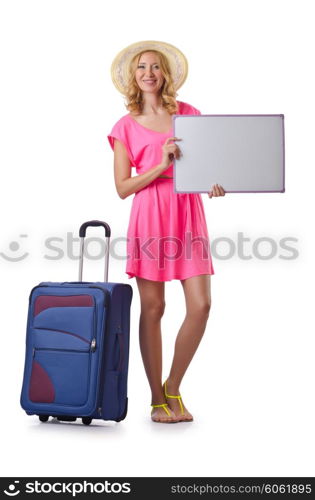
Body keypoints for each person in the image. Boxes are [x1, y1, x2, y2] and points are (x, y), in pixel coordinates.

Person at [108, 41, 225, 423]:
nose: (148, 73)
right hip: (150, 215)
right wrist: (160, 165)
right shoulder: (124, 126)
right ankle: (157, 399)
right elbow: (123, 188)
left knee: (201, 305)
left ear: (166, 74)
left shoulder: (188, 115)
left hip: (187, 213)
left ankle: (173, 385)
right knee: (154, 307)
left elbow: (206, 166)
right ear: (133, 76)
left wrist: (214, 182)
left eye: (156, 67)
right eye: (142, 67)